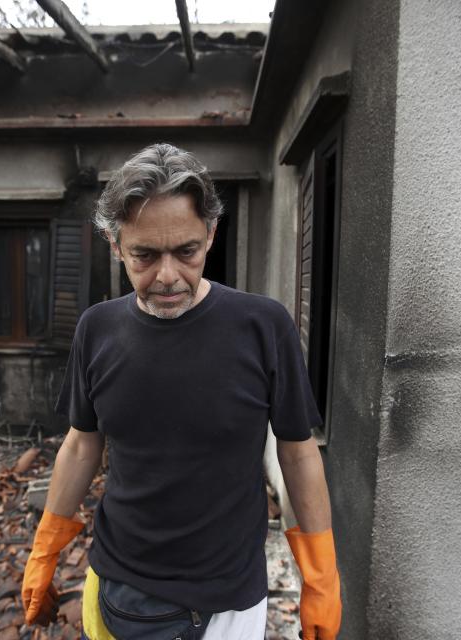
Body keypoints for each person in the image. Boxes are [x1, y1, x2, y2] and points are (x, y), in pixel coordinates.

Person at [21, 143, 341, 640]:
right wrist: (46, 550)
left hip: (225, 607)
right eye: (144, 256)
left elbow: (298, 452)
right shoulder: (97, 329)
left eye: (186, 251)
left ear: (211, 235)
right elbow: (83, 443)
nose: (167, 276)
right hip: (114, 588)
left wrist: (320, 575)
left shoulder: (262, 326)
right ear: (115, 244)